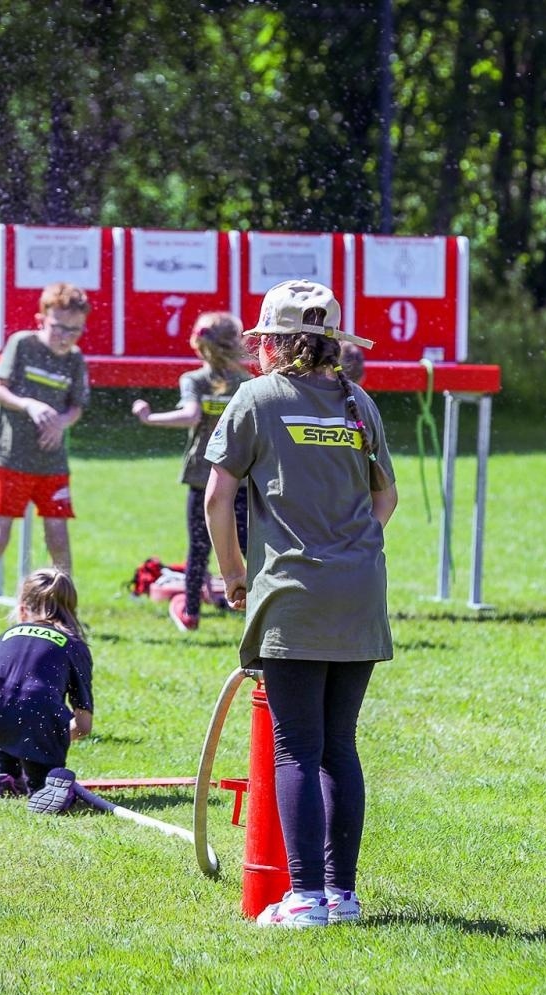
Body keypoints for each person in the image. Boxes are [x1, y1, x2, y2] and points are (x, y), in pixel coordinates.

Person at [204, 279, 398, 928]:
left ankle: (306, 899)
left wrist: (233, 575)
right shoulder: (358, 402)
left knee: (295, 749)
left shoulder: (257, 398)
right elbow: (386, 497)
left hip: (292, 593)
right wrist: (353, 550)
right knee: (339, 745)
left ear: (274, 343)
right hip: (360, 591)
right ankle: (342, 897)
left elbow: (216, 498)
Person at [0, 282, 92, 640]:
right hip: (11, 455)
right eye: (58, 327)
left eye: (74, 330)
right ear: (41, 319)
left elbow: (76, 407)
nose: (65, 337)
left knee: (58, 536)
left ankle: (65, 615)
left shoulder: (75, 359)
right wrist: (29, 404)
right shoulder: (22, 344)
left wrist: (61, 422)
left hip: (52, 462)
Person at [131, 311, 253, 632]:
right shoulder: (249, 384)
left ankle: (191, 613)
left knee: (199, 547)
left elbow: (190, 415)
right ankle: (264, 604)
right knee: (248, 545)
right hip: (241, 477)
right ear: (237, 344)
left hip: (203, 477)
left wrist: (148, 418)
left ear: (198, 345)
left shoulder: (194, 380)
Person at [0, 568, 93, 798]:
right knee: (32, 714)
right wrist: (52, 737)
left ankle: (5, 777)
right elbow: (83, 725)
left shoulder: (9, 633)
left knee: (14, 708)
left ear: (23, 609)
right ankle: (42, 788)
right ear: (71, 610)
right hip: (35, 713)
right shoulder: (74, 645)